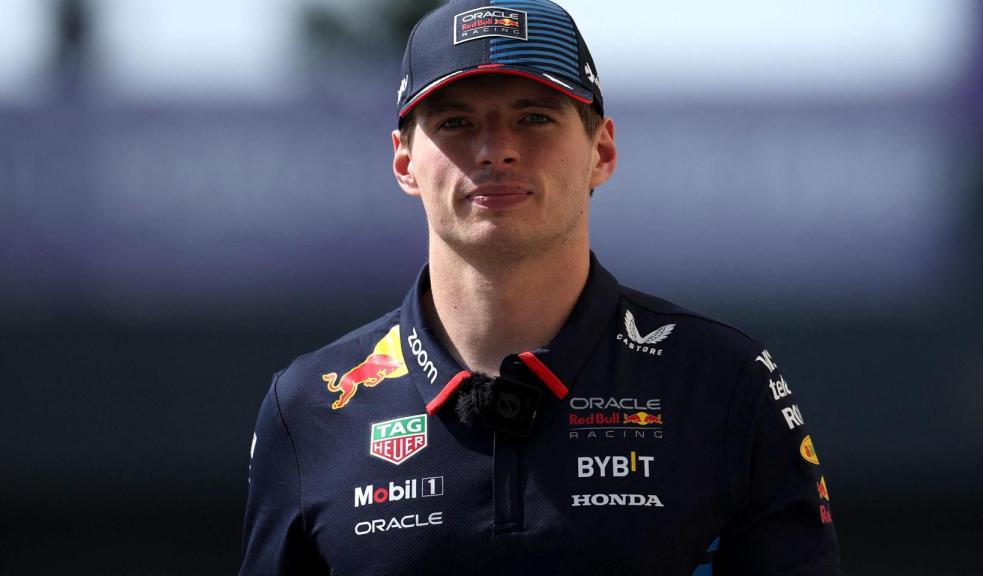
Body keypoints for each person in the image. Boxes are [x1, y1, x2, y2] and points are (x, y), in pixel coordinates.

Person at [240, 0, 841, 574]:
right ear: (404, 163)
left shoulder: (725, 380)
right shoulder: (311, 407)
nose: (497, 149)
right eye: (456, 122)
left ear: (601, 150)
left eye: (534, 118)